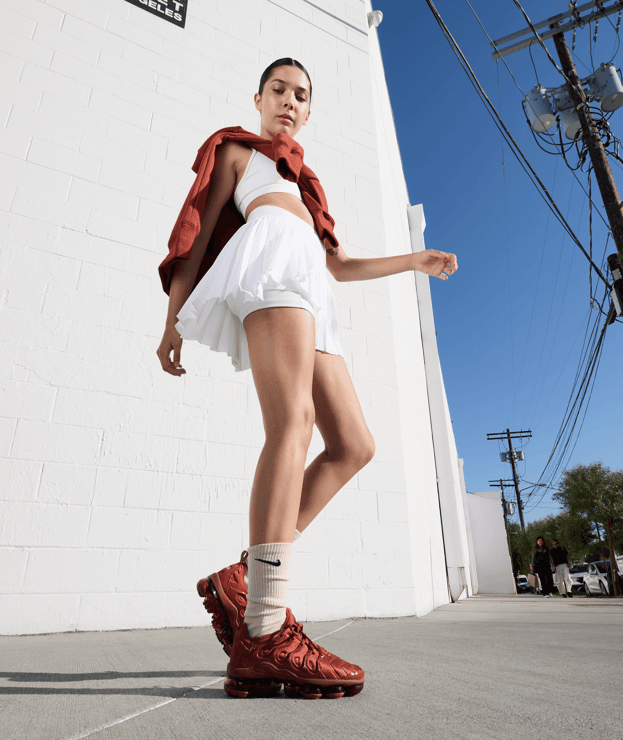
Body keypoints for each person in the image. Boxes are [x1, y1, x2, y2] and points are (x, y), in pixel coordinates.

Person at [157, 58, 458, 700]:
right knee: (290, 423)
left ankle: (246, 578)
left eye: (301, 95)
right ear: (259, 98)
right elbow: (196, 232)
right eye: (279, 90)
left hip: (314, 288)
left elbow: (341, 266)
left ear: (310, 110)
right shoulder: (239, 150)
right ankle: (264, 628)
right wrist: (171, 319)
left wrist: (415, 261)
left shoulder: (307, 187)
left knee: (354, 444)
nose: (290, 101)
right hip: (270, 268)